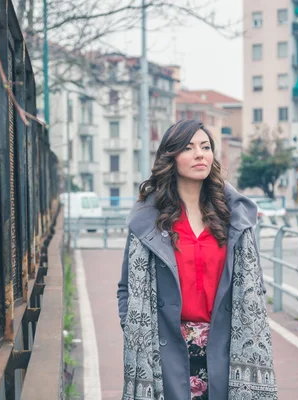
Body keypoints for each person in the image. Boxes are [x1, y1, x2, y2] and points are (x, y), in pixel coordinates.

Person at [117, 120, 278, 400]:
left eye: (205, 147)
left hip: (227, 348)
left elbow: (256, 286)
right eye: (189, 148)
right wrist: (138, 334)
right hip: (166, 350)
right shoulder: (150, 220)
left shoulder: (232, 217)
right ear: (171, 157)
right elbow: (127, 290)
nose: (200, 154)